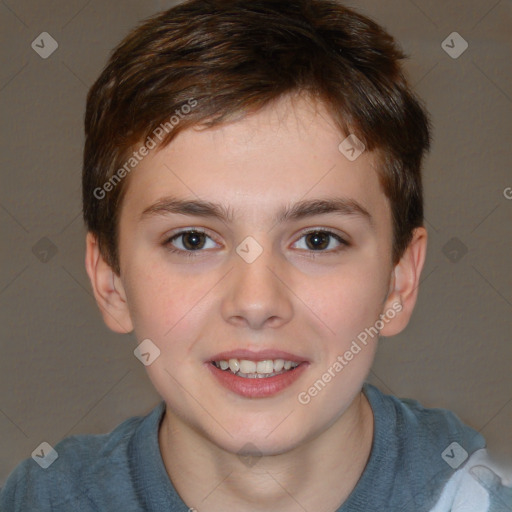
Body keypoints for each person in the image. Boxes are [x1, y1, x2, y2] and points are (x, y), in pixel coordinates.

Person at [1, 0, 511, 510]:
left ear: (399, 281)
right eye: (192, 240)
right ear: (110, 281)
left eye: (318, 240)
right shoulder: (39, 499)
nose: (256, 301)